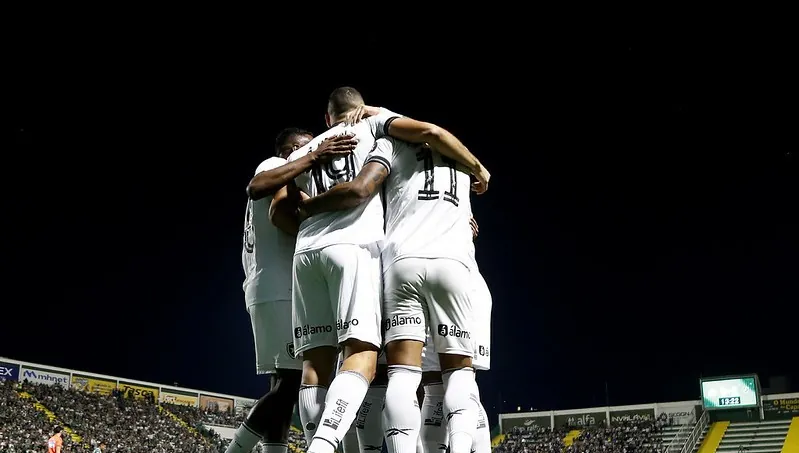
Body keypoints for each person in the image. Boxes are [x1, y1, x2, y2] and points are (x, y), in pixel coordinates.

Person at [289, 87, 488, 453]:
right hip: (455, 262)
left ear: (327, 116)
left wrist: (307, 206)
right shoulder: (456, 158)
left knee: (394, 372)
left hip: (394, 262)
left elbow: (277, 202)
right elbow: (432, 136)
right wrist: (479, 170)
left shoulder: (378, 146)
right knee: (453, 374)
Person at [228, 128, 357, 453]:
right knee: (291, 385)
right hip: (279, 288)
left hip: (269, 287)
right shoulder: (273, 164)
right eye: (304, 147)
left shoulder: (287, 182)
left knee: (282, 385)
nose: (311, 151)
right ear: (290, 150)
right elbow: (257, 187)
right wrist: (314, 155)